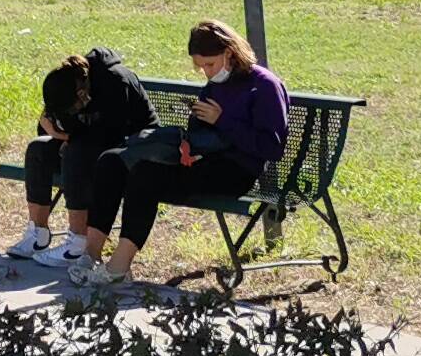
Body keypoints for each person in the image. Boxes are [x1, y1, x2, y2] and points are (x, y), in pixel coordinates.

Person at [101, 17, 291, 282]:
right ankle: (89, 252)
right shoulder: (216, 84)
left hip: (238, 171)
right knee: (114, 161)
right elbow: (200, 130)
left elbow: (272, 148)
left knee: (145, 175)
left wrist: (222, 120)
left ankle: (118, 268)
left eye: (210, 64)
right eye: (201, 67)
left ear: (229, 52)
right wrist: (187, 145)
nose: (207, 73)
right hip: (202, 160)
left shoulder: (265, 85)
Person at [8, 47, 157, 267]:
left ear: (81, 94)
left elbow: (110, 135)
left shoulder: (115, 81)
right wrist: (51, 127)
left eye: (72, 109)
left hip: (132, 148)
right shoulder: (66, 85)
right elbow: (68, 129)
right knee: (38, 149)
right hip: (92, 145)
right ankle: (38, 233)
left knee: (75, 153)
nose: (72, 113)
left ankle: (77, 242)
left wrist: (67, 137)